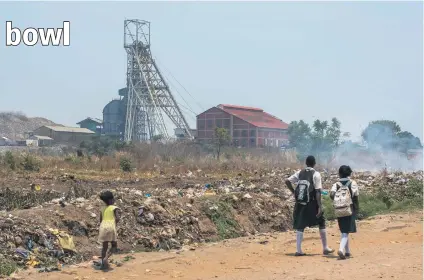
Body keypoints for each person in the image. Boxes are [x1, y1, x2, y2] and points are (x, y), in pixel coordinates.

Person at [285, 155, 334, 256]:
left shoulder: (300, 172)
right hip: (311, 202)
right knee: (321, 222)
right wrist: (320, 206)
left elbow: (287, 181)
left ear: (306, 163)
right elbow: (318, 191)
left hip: (300, 202)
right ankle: (325, 247)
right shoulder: (316, 174)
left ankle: (298, 250)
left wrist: (294, 192)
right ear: (314, 163)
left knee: (300, 225)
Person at [330, 165, 359, 260]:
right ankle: (341, 249)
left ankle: (347, 251)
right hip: (349, 209)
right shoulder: (352, 183)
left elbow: (332, 195)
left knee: (344, 230)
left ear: (339, 173)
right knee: (346, 231)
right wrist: (356, 209)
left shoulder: (336, 184)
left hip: (339, 209)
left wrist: (338, 201)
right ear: (349, 173)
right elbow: (355, 196)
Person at [98, 190, 121, 269]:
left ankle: (103, 265)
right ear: (111, 200)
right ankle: (106, 258)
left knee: (104, 247)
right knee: (114, 245)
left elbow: (100, 220)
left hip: (103, 227)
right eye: (113, 198)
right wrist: (114, 223)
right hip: (111, 227)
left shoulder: (102, 208)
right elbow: (117, 218)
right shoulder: (114, 208)